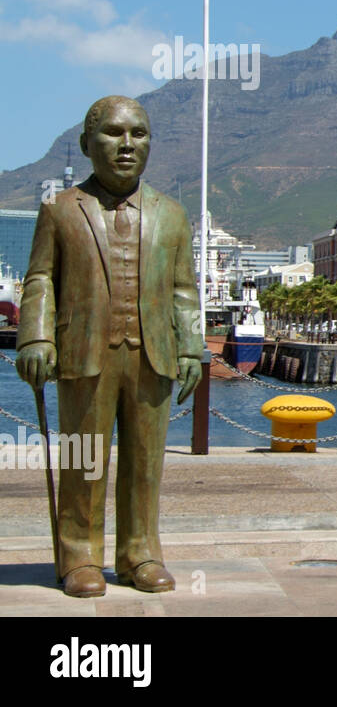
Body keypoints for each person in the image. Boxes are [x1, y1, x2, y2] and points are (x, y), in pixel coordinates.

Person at [16, 96, 201, 597]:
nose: (127, 145)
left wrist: (190, 348)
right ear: (86, 143)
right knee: (84, 457)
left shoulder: (172, 214)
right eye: (114, 134)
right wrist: (35, 336)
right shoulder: (59, 209)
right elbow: (40, 280)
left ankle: (140, 552)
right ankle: (79, 556)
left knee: (145, 462)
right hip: (84, 352)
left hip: (152, 353)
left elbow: (184, 290)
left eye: (138, 134)